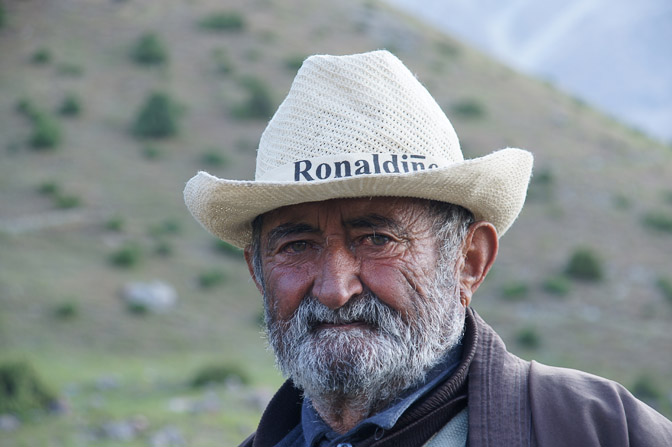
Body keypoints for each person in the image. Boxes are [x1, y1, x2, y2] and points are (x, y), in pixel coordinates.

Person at [184, 50, 672, 446]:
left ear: (469, 262)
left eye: (377, 239)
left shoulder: (603, 432)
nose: (335, 289)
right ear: (258, 273)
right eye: (297, 245)